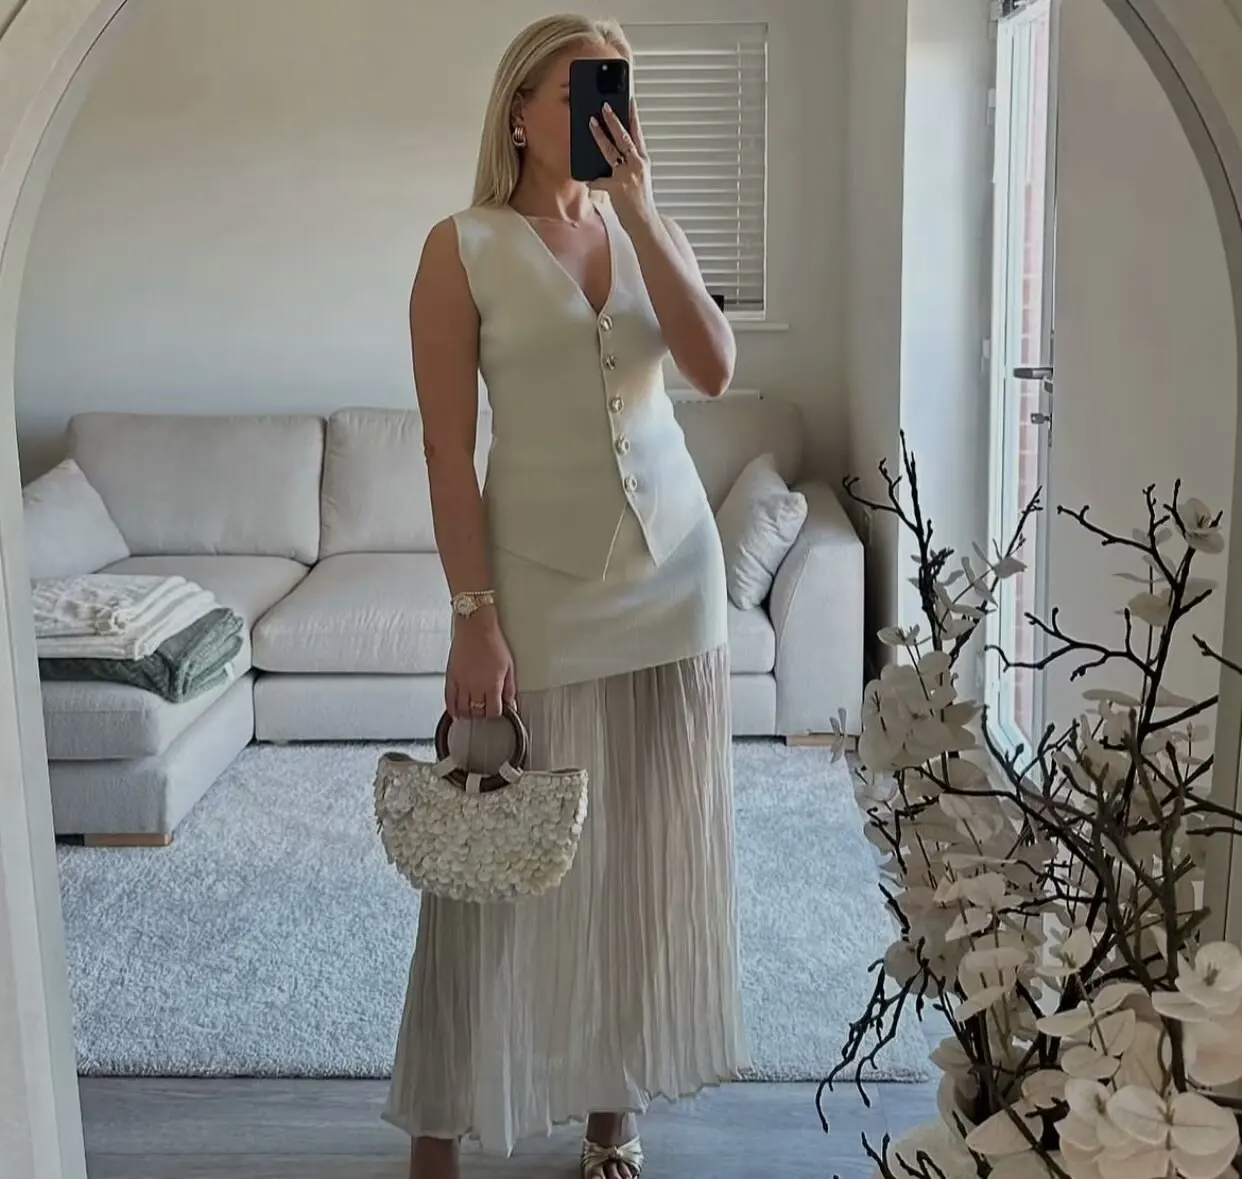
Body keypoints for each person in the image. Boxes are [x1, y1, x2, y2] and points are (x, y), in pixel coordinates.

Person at [382, 13, 749, 1179]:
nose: (610, 111)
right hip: (537, 591)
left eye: (622, 89)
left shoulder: (650, 226)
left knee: (640, 868)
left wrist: (642, 213)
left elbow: (713, 368)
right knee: (490, 862)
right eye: (586, 88)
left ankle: (610, 1113)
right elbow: (447, 453)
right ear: (519, 114)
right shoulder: (463, 247)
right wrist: (472, 616)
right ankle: (439, 1131)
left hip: (676, 581)